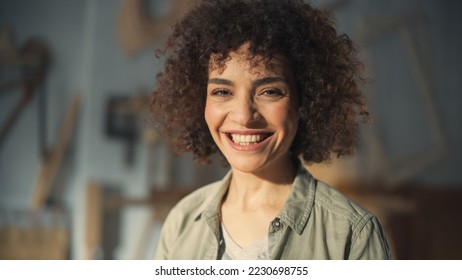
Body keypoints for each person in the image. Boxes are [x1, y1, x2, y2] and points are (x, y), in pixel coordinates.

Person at [150, 0, 390, 260]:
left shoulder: (352, 235)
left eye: (269, 91)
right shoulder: (181, 223)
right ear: (200, 100)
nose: (244, 116)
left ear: (305, 100)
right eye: (222, 91)